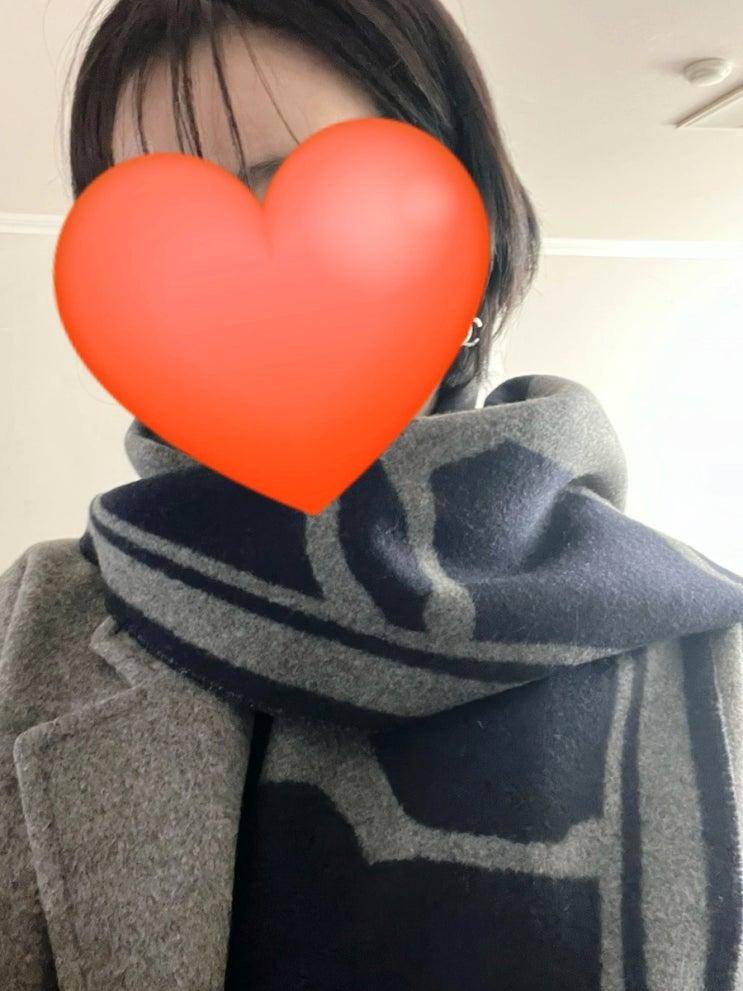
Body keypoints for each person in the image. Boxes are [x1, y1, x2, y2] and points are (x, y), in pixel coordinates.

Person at [3, 1, 743, 989]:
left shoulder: (709, 653)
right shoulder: (27, 633)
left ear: (466, 228)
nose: (237, 296)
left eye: (300, 196)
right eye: (162, 237)